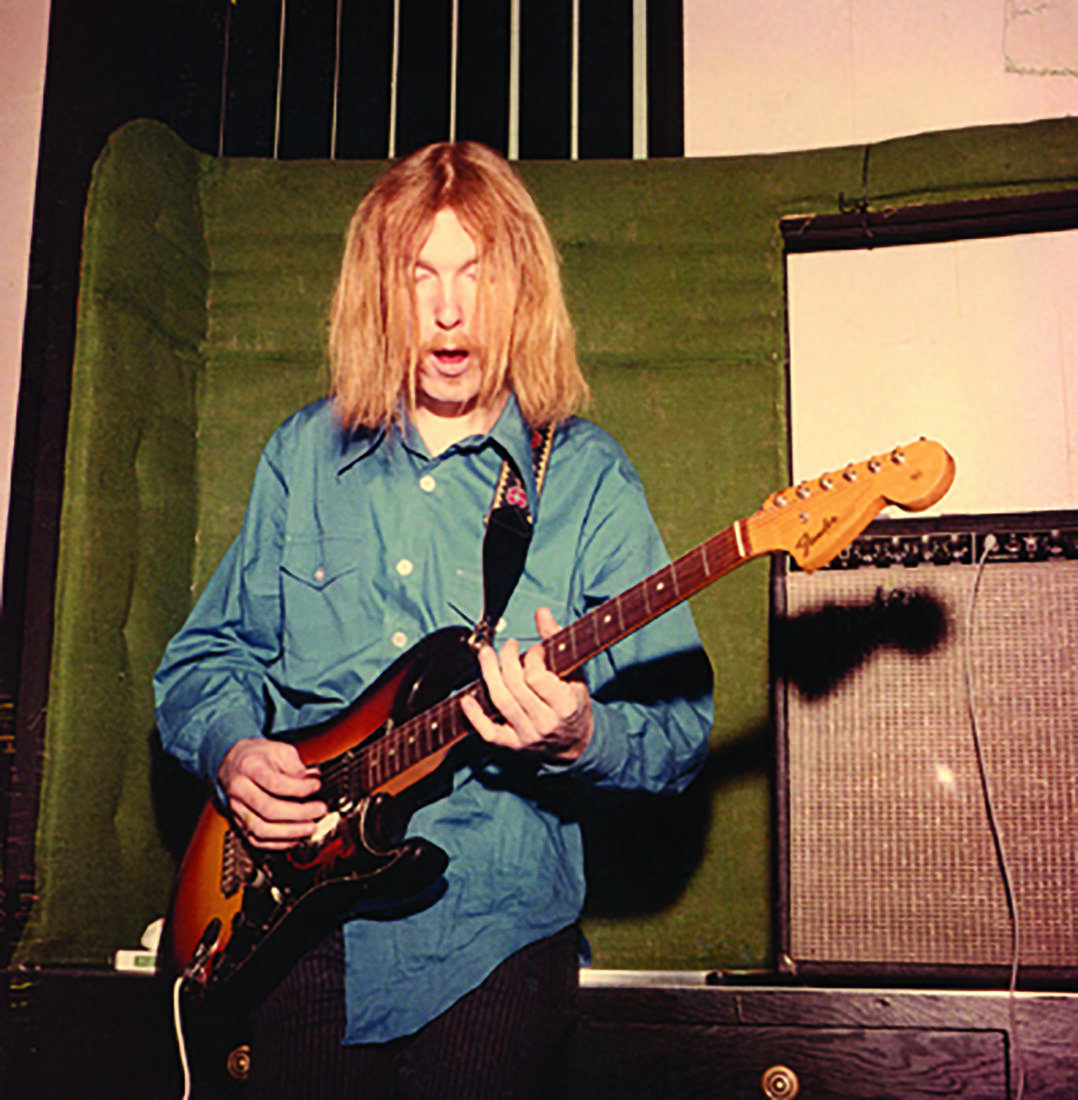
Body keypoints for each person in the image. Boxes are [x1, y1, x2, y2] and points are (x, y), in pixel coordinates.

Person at [154, 140, 713, 1098]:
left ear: (518, 291)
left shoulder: (583, 475)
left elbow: (681, 731)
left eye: (477, 275)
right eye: (421, 276)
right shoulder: (304, 454)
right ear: (382, 293)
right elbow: (204, 658)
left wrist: (581, 732)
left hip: (491, 931)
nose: (449, 311)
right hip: (293, 924)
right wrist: (234, 751)